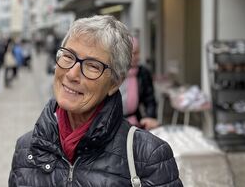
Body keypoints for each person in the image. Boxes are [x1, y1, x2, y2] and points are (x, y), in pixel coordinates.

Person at [9, 15, 182, 186]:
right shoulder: (26, 150)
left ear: (115, 83)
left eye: (92, 66)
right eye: (68, 56)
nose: (71, 74)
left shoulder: (148, 158)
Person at [120, 37, 160, 130]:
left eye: (138, 53)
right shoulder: (113, 72)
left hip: (134, 121)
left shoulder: (143, 72)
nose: (137, 57)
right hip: (115, 122)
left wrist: (150, 117)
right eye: (134, 53)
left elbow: (150, 100)